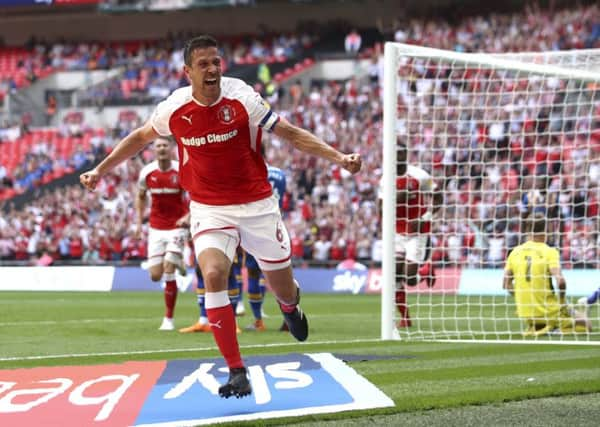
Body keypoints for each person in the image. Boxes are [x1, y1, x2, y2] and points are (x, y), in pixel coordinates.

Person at [80, 35, 361, 399]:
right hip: (209, 208)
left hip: (257, 205)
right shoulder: (173, 108)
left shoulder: (242, 98)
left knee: (283, 287)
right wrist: (100, 170)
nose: (212, 69)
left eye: (216, 62)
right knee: (213, 274)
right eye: (204, 64)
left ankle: (289, 306)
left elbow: (290, 134)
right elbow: (139, 138)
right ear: (188, 72)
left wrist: (338, 157)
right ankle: (236, 370)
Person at [379, 142, 442, 328]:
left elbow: (438, 196)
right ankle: (405, 317)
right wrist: (397, 199)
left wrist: (427, 217)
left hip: (417, 232)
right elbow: (381, 208)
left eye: (400, 153)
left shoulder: (419, 175)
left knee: (409, 278)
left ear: (405, 154)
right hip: (396, 233)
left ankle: (425, 271)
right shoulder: (385, 180)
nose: (397, 157)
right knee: (393, 276)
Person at [503, 214, 591, 336]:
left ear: (528, 230)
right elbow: (561, 281)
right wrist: (561, 302)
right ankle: (555, 328)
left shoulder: (514, 252)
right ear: (546, 230)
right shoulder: (549, 252)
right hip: (549, 311)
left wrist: (522, 297)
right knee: (586, 324)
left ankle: (539, 326)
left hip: (526, 312)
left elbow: (506, 284)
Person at [136, 137, 190, 331]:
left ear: (171, 149)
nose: (161, 148)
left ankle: (168, 319)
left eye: (165, 145)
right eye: (158, 146)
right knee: (155, 276)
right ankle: (178, 261)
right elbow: (140, 197)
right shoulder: (147, 173)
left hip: (177, 226)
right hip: (156, 228)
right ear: (153, 150)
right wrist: (137, 223)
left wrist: (189, 216)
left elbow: (196, 194)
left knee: (168, 269)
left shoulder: (180, 171)